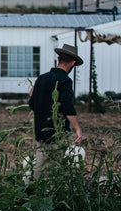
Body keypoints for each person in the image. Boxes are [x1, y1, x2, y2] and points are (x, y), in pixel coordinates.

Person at [27, 43, 85, 181]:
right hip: (59, 132)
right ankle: (62, 192)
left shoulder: (41, 78)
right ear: (73, 63)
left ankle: (30, 191)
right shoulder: (65, 81)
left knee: (39, 166)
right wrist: (77, 129)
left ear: (58, 59)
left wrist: (31, 96)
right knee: (65, 164)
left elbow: (33, 105)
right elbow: (67, 106)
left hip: (41, 130)